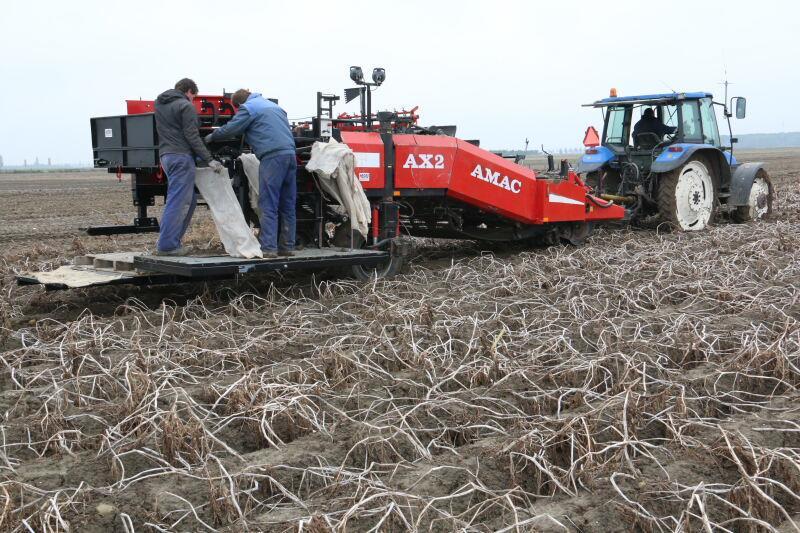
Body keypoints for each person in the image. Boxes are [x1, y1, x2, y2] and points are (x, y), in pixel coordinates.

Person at [205, 89, 296, 258]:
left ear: (238, 104)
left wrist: (211, 137)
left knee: (268, 203)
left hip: (272, 157)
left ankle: (269, 248)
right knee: (288, 204)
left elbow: (232, 128)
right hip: (290, 156)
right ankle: (287, 247)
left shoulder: (249, 108)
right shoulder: (275, 107)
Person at [154, 78, 224, 256]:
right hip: (181, 157)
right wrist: (209, 159)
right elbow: (192, 136)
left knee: (189, 201)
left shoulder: (159, 103)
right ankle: (167, 246)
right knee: (178, 201)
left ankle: (172, 242)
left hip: (166, 156)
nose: (193, 101)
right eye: (193, 97)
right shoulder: (185, 106)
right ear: (190, 91)